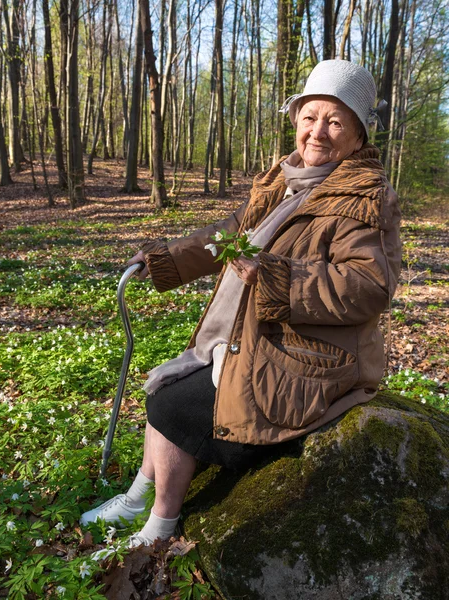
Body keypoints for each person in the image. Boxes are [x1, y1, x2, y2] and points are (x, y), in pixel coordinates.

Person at [80, 59, 402, 547]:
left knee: (170, 406)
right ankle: (138, 494)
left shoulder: (365, 196)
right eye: (311, 116)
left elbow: (368, 285)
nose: (319, 132)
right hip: (260, 339)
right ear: (295, 120)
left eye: (336, 121)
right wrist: (165, 261)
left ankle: (159, 526)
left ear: (358, 137)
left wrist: (278, 277)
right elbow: (233, 234)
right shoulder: (284, 180)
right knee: (168, 379)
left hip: (310, 358)